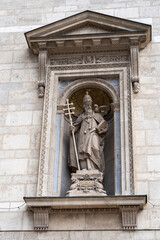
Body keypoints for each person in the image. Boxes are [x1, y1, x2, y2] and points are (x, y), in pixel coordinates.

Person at [68, 92, 108, 173]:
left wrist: (100, 129)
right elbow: (75, 126)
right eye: (86, 103)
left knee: (95, 148)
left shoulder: (97, 116)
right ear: (83, 105)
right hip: (83, 135)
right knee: (83, 151)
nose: (88, 106)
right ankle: (84, 168)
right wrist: (72, 128)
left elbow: (104, 125)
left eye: (89, 102)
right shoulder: (81, 116)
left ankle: (94, 168)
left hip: (93, 134)